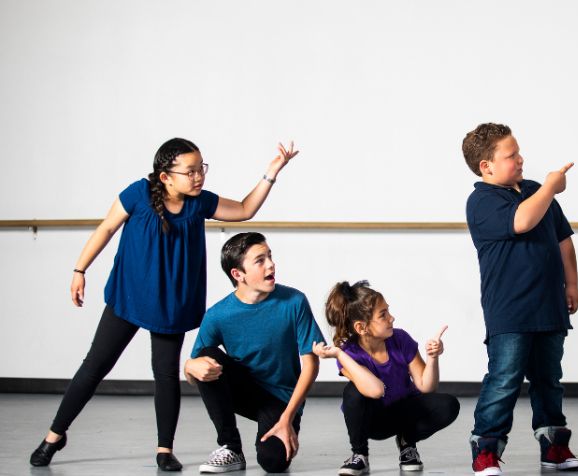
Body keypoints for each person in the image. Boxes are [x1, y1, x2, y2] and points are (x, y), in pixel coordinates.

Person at [29, 138, 297, 471]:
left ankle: (164, 449)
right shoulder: (138, 194)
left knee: (165, 374)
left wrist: (271, 172)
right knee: (94, 366)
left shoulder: (199, 203)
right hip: (130, 296)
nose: (199, 176)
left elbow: (244, 209)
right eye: (190, 171)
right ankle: (55, 435)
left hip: (171, 303)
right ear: (166, 176)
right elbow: (107, 227)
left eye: (202, 168)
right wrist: (79, 269)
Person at [461, 122, 578, 476]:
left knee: (549, 379)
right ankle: (486, 446)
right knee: (504, 378)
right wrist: (550, 188)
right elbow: (523, 221)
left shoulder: (533, 190)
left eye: (518, 151)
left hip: (549, 307)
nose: (520, 159)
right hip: (510, 312)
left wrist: (571, 284)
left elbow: (563, 239)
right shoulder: (482, 201)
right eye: (511, 155)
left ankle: (554, 445)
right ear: (487, 166)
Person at [184, 232, 323, 473]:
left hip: (282, 399)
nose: (271, 264)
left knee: (273, 463)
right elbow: (196, 372)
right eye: (260, 260)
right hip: (245, 389)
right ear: (238, 275)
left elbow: (311, 365)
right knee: (206, 356)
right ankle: (231, 447)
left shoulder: (294, 301)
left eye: (269, 256)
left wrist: (287, 418)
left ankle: (276, 429)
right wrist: (188, 366)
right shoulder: (219, 314)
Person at [313, 280, 460, 476]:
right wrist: (339, 355)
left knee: (449, 405)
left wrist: (432, 357)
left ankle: (407, 442)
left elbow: (426, 386)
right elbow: (375, 390)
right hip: (374, 421)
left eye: (388, 311)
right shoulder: (348, 353)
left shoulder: (400, 339)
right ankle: (359, 455)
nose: (391, 318)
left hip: (403, 412)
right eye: (383, 315)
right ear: (361, 327)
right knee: (352, 392)